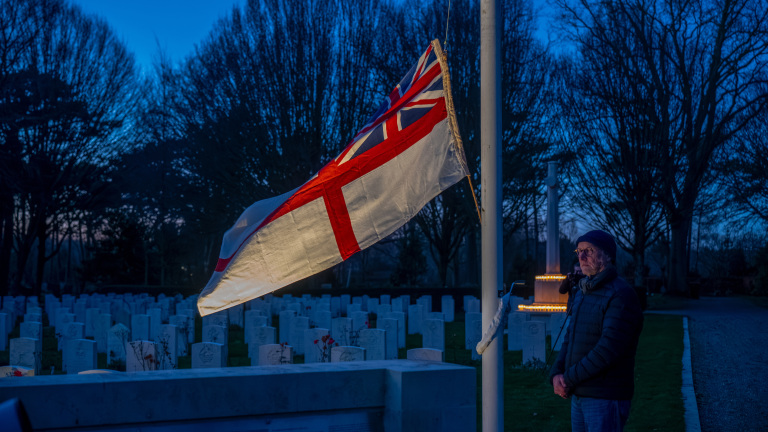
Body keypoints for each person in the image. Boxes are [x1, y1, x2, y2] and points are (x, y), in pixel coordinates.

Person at [550, 229, 644, 432]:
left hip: (605, 396)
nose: (581, 257)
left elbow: (607, 350)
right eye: (579, 251)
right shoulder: (584, 291)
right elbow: (570, 336)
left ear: (608, 256)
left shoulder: (621, 295)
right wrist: (556, 373)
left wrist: (567, 378)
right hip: (579, 393)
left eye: (589, 251)